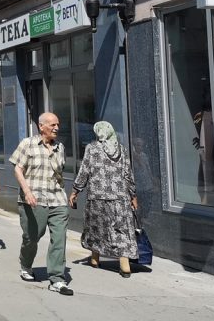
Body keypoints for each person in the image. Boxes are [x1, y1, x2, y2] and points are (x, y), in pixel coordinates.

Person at [10, 112, 73, 296]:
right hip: (33, 199)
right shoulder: (27, 144)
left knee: (59, 238)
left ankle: (57, 279)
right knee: (32, 236)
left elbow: (59, 173)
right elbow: (17, 169)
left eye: (58, 124)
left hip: (57, 199)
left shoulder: (60, 147)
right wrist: (27, 191)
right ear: (41, 126)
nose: (57, 128)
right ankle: (26, 265)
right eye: (52, 125)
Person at [69, 121, 139, 278]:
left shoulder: (92, 148)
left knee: (97, 228)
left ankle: (95, 258)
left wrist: (75, 191)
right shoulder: (122, 149)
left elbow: (84, 171)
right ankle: (124, 264)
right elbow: (128, 174)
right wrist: (133, 196)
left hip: (97, 197)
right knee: (121, 229)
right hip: (120, 197)